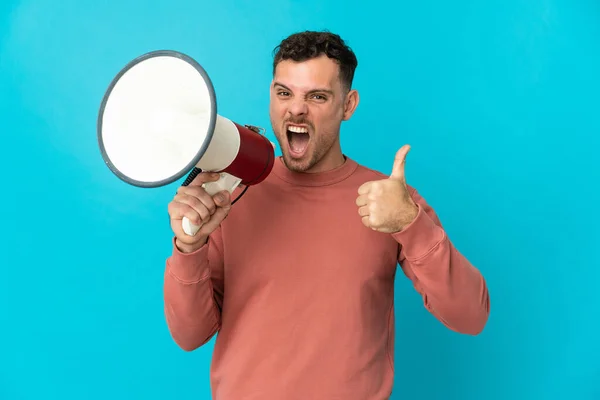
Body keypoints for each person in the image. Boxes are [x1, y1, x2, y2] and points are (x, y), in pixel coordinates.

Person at [163, 30, 490, 400]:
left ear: (348, 105)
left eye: (317, 96)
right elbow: (190, 336)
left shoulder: (391, 201)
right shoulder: (233, 192)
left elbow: (470, 316)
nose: (296, 109)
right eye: (284, 92)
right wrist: (188, 246)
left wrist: (410, 224)